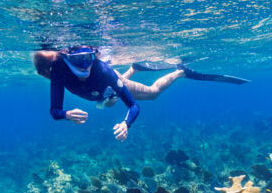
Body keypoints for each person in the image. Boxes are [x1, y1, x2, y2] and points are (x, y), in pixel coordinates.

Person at [33, 45, 186, 141]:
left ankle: (180, 72)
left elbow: (133, 105)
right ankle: (134, 69)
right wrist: (66, 115)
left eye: (89, 58)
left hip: (111, 84)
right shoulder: (59, 71)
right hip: (102, 93)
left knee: (152, 93)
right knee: (109, 102)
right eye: (79, 60)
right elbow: (54, 111)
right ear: (67, 58)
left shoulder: (104, 72)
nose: (85, 66)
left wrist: (127, 124)